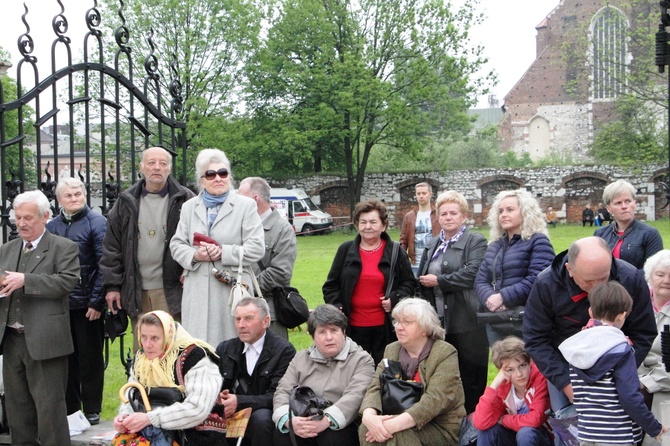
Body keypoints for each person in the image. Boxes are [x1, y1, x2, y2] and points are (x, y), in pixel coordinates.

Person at [523, 236, 656, 413]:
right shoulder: (546, 285)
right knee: (568, 426)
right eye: (588, 281)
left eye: (603, 278)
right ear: (569, 269)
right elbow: (536, 339)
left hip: (617, 368)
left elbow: (643, 333)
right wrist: (565, 383)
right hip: (565, 368)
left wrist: (622, 371)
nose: (596, 288)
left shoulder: (630, 278)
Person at [0, 190, 80, 445]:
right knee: (17, 409)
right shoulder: (7, 249)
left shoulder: (63, 247)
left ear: (45, 217)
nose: (21, 223)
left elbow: (67, 282)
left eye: (28, 218)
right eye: (18, 217)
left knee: (49, 409)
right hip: (11, 339)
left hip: (46, 341)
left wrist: (26, 280)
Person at [101, 146, 195, 349]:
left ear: (169, 168)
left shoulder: (186, 199)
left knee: (173, 347)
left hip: (172, 289)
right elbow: (112, 246)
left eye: (162, 163)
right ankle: (143, 382)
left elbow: (196, 241)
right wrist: (112, 286)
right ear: (141, 167)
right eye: (151, 163)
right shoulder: (126, 201)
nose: (157, 168)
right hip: (137, 289)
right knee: (144, 349)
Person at [170, 148, 265, 345]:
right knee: (198, 349)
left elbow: (256, 248)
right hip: (197, 292)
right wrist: (196, 255)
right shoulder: (189, 207)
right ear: (201, 180)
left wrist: (223, 252)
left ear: (229, 176)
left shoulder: (245, 206)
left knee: (233, 348)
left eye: (223, 173)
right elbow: (177, 244)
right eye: (210, 174)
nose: (218, 178)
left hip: (231, 290)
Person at [558, 281, 666, 445]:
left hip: (587, 433)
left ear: (590, 312)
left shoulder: (576, 348)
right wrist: (653, 427)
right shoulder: (621, 349)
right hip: (618, 436)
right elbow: (630, 396)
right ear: (622, 315)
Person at [358, 298, 466, 446]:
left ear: (425, 328)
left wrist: (393, 425)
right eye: (397, 322)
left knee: (399, 433)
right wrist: (369, 416)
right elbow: (375, 386)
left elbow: (435, 399)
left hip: (437, 426)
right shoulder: (392, 349)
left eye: (407, 322)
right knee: (366, 428)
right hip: (396, 416)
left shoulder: (444, 352)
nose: (399, 327)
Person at [417, 190, 488, 414]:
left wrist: (440, 280)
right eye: (443, 213)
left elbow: (473, 273)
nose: (448, 217)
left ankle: (474, 423)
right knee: (444, 375)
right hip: (439, 322)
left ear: (463, 216)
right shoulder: (432, 244)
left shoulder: (475, 241)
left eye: (453, 213)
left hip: (468, 321)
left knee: (471, 377)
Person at [323, 200, 416, 365]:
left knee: (385, 372)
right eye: (363, 222)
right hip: (352, 327)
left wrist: (394, 298)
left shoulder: (396, 251)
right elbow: (330, 286)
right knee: (355, 372)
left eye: (373, 222)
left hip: (386, 328)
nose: (368, 226)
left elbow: (409, 284)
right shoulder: (345, 250)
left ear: (383, 225)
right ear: (357, 224)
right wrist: (336, 306)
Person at [46, 177, 106, 425]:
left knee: (90, 358)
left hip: (87, 304)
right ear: (59, 199)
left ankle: (91, 409)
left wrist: (96, 301)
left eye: (78, 194)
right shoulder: (51, 226)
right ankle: (71, 410)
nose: (74, 199)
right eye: (68, 195)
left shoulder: (97, 222)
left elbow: (105, 264)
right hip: (59, 304)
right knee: (65, 360)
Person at [113, 310, 224, 444]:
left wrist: (150, 419)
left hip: (195, 438)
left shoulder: (197, 359)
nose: (147, 345)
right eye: (144, 337)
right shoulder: (141, 360)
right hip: (150, 433)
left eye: (155, 338)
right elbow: (131, 396)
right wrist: (125, 417)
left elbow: (197, 409)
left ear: (168, 336)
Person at [272, 304, 375, 446]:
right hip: (302, 417)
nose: (329, 337)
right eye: (322, 332)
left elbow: (356, 396)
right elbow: (283, 390)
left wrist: (327, 420)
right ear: (313, 336)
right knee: (283, 434)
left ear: (344, 332)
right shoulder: (301, 358)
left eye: (334, 330)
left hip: (341, 424)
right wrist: (289, 420)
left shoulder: (362, 360)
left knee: (332, 438)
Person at [474, 189, 555, 345]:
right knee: (504, 367)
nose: (503, 214)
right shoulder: (495, 246)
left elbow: (538, 279)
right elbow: (480, 280)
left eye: (510, 210)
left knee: (528, 367)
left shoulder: (538, 241)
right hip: (496, 319)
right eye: (500, 211)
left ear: (524, 212)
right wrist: (490, 299)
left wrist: (503, 297)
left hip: (526, 320)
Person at [216, 297, 296, 446]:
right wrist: (219, 398)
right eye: (237, 319)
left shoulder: (284, 351)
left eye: (248, 319)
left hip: (262, 414)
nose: (241, 325)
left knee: (262, 418)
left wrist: (239, 402)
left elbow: (278, 395)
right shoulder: (224, 348)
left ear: (266, 321)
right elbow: (214, 385)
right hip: (227, 413)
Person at [237, 177, 297, 339]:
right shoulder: (239, 226)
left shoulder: (282, 230)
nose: (235, 202)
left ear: (255, 200)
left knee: (272, 362)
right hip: (239, 311)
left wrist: (247, 288)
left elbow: (280, 273)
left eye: (240, 197)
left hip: (269, 314)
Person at [472, 336, 552, 446]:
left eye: (522, 365)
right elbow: (480, 422)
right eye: (510, 370)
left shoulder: (540, 377)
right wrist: (493, 386)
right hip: (514, 436)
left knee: (525, 433)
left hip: (543, 437)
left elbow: (536, 419)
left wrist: (505, 419)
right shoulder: (502, 388)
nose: (519, 374)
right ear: (502, 372)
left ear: (530, 362)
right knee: (486, 431)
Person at [594, 179, 663, 269]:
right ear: (608, 208)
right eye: (618, 203)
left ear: (634, 204)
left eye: (628, 201)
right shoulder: (600, 234)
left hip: (637, 282)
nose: (624, 206)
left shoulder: (649, 234)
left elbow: (654, 271)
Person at [639, 250, 670, 446]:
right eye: (660, 274)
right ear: (650, 276)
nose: (666, 280)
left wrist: (645, 383)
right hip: (630, 378)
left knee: (660, 437)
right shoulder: (635, 304)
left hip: (664, 385)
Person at [399, 182, 440, 276]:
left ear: (430, 194)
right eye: (418, 194)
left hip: (434, 262)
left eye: (424, 193)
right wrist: (400, 260)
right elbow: (403, 241)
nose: (421, 196)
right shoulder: (409, 216)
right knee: (416, 290)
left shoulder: (438, 214)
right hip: (415, 264)